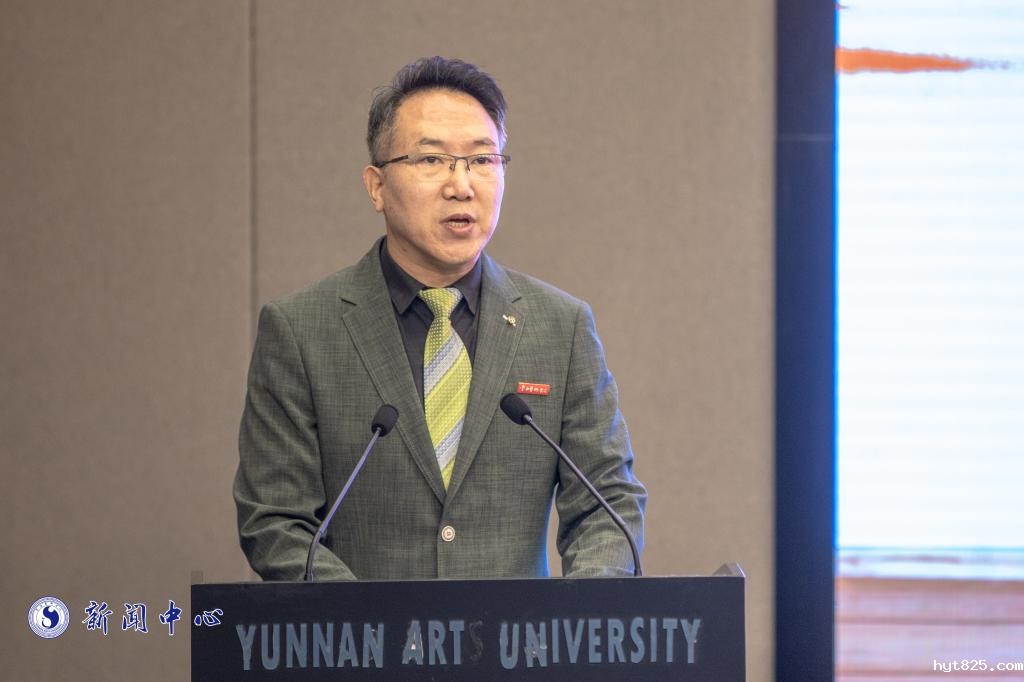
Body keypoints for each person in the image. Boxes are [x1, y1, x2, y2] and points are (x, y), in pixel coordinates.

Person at [233, 56, 646, 581]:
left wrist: (580, 611)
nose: (461, 185)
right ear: (376, 186)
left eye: (482, 159)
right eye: (432, 159)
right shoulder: (300, 331)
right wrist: (371, 625)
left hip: (523, 635)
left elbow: (608, 503)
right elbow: (277, 522)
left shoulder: (560, 328)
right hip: (364, 633)